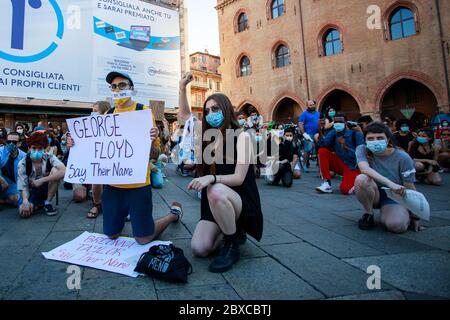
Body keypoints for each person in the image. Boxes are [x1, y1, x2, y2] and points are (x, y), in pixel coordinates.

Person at [68, 71, 182, 244]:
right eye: (114, 86)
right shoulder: (108, 115)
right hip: (113, 185)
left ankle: (172, 215)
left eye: (122, 85)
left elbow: (155, 154)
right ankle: (124, 219)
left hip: (138, 184)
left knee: (143, 239)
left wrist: (152, 141)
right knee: (111, 235)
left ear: (131, 89)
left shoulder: (143, 112)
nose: (117, 89)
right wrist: (75, 143)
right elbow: (94, 147)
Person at [179, 72, 263, 273]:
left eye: (215, 109)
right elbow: (184, 116)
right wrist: (182, 87)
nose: (210, 114)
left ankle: (232, 244)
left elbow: (239, 178)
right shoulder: (205, 134)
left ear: (226, 110)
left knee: (215, 189)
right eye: (207, 111)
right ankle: (231, 231)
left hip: (240, 200)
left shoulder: (242, 137)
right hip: (215, 202)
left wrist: (211, 177)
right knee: (199, 248)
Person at [355, 122, 422, 233]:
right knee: (361, 179)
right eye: (370, 138)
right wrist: (390, 183)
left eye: (380, 137)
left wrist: (416, 214)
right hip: (374, 192)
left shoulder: (403, 157)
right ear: (365, 141)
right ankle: (368, 214)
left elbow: (409, 186)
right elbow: (364, 169)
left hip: (395, 194)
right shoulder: (361, 149)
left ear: (388, 139)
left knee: (396, 226)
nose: (375, 141)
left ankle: (401, 213)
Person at [70, 101, 111, 219]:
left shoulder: (112, 129)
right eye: (92, 111)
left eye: (95, 111)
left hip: (103, 170)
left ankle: (97, 202)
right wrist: (71, 143)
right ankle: (96, 201)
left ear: (105, 112)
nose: (92, 113)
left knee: (99, 176)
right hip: (85, 171)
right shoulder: (85, 128)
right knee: (79, 196)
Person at [17, 131, 66, 218]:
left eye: (40, 148)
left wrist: (42, 180)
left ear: (45, 148)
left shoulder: (49, 157)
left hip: (45, 188)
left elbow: (64, 170)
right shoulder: (23, 163)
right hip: (31, 190)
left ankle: (47, 202)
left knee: (55, 170)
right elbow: (23, 186)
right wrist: (25, 201)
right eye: (34, 148)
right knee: (23, 212)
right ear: (29, 148)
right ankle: (36, 203)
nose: (36, 151)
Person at [316, 114, 364, 194]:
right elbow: (323, 144)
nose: (337, 124)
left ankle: (357, 180)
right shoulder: (334, 133)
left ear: (345, 123)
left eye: (340, 121)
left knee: (345, 190)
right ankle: (327, 183)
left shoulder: (355, 135)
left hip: (352, 166)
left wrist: (346, 146)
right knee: (322, 151)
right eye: (336, 122)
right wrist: (320, 130)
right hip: (340, 163)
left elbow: (362, 154)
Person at [0, 132, 26, 206]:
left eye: (14, 142)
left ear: (19, 143)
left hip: (12, 185)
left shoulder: (24, 156)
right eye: (8, 142)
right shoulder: (1, 151)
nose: (11, 144)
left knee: (17, 199)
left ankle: (3, 200)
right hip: (2, 182)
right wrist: (1, 180)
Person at [298, 100, 320, 171]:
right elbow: (300, 124)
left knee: (319, 149)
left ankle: (319, 164)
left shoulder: (318, 113)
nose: (312, 106)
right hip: (308, 134)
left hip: (318, 133)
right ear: (307, 106)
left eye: (313, 104)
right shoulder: (304, 114)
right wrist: (304, 133)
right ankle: (304, 165)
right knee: (307, 149)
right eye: (310, 105)